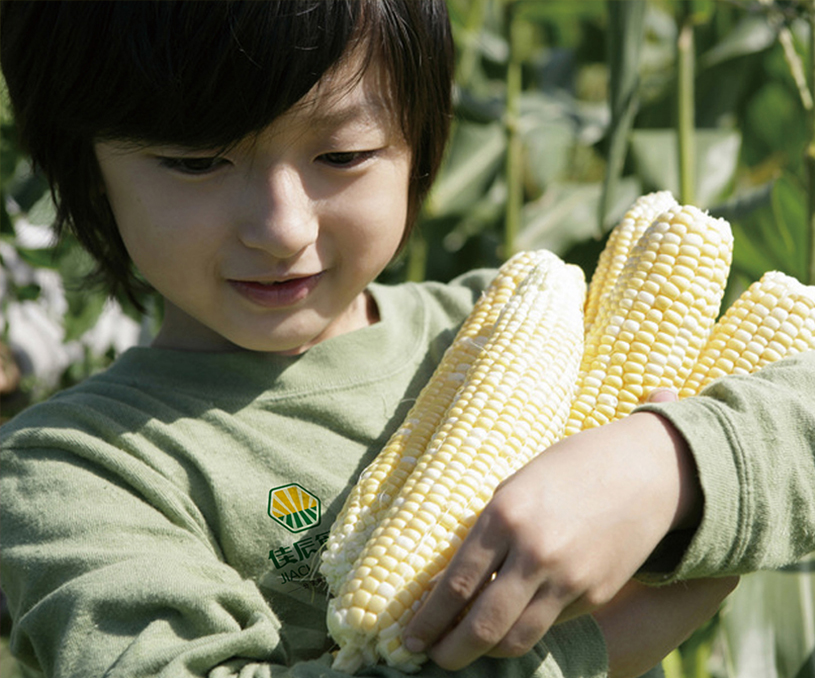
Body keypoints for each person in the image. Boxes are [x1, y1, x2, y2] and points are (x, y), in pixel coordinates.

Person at [0, 2, 809, 677]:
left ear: (421, 143)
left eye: (342, 155)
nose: (281, 229)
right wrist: (586, 644)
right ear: (84, 167)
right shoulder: (73, 471)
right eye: (196, 162)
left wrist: (662, 465)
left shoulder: (509, 322)